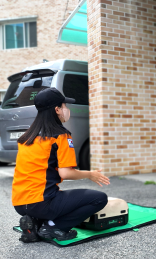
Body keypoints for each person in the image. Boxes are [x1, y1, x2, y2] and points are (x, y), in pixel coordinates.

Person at [12, 88, 109, 243]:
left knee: (59, 196)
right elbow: (66, 173)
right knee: (99, 199)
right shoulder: (60, 135)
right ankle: (53, 227)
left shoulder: (27, 137)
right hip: (42, 203)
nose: (67, 110)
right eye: (64, 106)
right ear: (57, 110)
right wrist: (90, 174)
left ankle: (35, 225)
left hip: (19, 203)